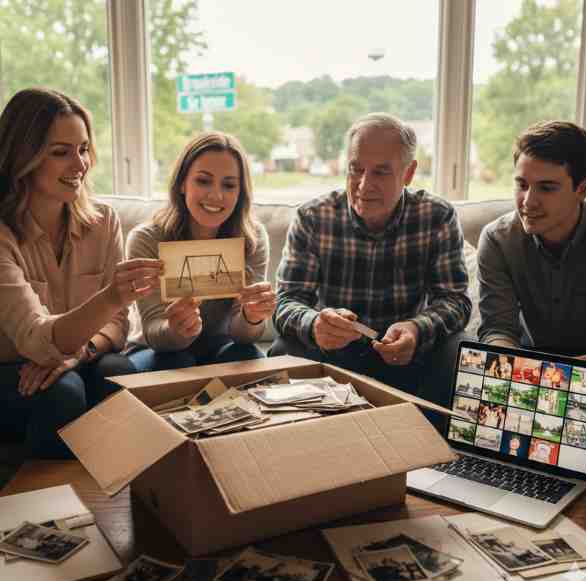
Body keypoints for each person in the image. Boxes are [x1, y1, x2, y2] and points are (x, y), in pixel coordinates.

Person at [271, 113, 471, 424]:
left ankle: (434, 452)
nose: (364, 185)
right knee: (284, 347)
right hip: (334, 358)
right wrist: (315, 325)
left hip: (409, 357)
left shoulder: (437, 217)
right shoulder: (313, 217)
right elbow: (285, 301)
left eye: (380, 172)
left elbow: (456, 302)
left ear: (409, 173)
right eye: (356, 169)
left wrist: (417, 329)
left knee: (456, 349)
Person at [0, 88, 162, 458]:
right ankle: (46, 509)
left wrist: (82, 350)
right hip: (12, 370)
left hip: (76, 357)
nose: (80, 165)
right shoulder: (3, 234)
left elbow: (119, 325)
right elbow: (36, 340)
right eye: (60, 152)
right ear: (22, 158)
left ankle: (125, 495)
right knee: (64, 391)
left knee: (119, 374)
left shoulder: (103, 222)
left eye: (84, 149)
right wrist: (110, 297)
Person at [126, 132, 275, 371]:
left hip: (222, 346)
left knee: (249, 357)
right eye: (203, 181)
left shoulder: (252, 239)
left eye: (229, 185)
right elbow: (154, 331)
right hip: (157, 350)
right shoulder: (147, 239)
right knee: (178, 360)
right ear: (182, 183)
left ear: (240, 193)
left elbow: (244, 337)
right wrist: (176, 329)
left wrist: (252, 316)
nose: (216, 195)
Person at [478, 121, 586, 361]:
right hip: (528, 363)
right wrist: (513, 370)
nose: (528, 201)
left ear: (583, 189)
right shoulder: (497, 240)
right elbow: (498, 329)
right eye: (522, 185)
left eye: (546, 188)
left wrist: (559, 378)